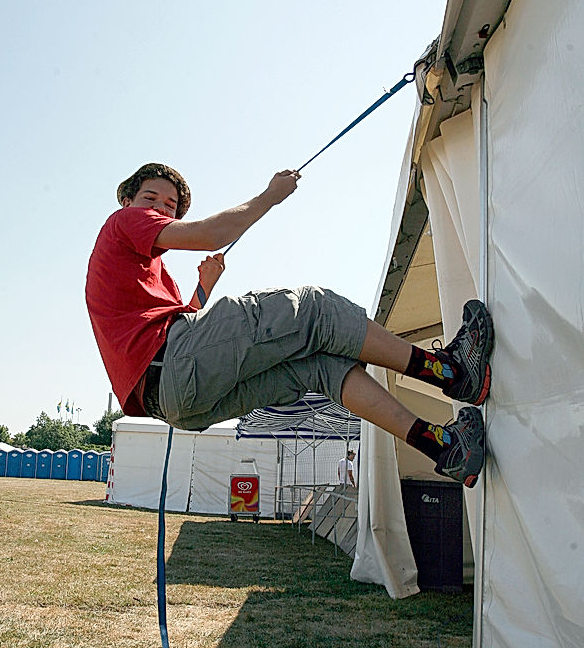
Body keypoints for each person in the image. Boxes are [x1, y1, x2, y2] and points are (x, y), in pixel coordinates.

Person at [86, 163, 493, 488]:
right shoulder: (121, 222)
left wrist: (202, 290)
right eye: (150, 197)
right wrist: (270, 197)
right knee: (314, 309)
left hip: (178, 404)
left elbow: (182, 329)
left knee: (323, 367)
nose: (161, 208)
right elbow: (212, 235)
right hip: (173, 365)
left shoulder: (150, 273)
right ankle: (452, 371)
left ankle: (445, 448)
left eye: (171, 205)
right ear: (127, 201)